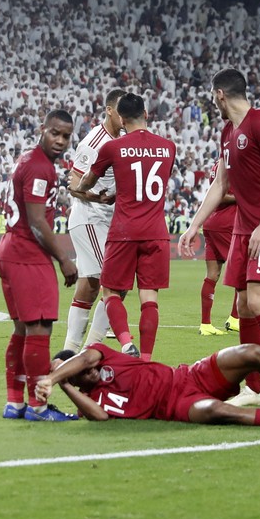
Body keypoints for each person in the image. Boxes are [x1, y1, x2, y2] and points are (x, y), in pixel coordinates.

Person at [178, 69, 260, 409]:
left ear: (218, 94)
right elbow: (220, 184)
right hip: (243, 229)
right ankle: (254, 388)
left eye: (211, 97)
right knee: (245, 306)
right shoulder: (228, 131)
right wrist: (194, 226)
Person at [72, 93, 175, 359]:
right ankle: (146, 360)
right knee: (149, 298)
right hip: (156, 231)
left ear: (121, 117)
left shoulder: (113, 147)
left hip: (124, 230)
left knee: (110, 290)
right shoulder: (168, 147)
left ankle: (126, 342)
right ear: (147, 114)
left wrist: (84, 189)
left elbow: (86, 182)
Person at [39, 344, 260, 428]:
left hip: (189, 376)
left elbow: (85, 357)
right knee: (218, 410)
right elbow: (101, 417)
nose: (85, 371)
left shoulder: (98, 352)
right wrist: (66, 386)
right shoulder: (91, 401)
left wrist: (53, 378)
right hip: (176, 408)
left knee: (253, 353)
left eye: (75, 367)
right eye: (74, 377)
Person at [0, 109, 79, 421]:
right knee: (40, 328)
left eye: (66, 136)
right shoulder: (40, 167)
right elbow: (36, 222)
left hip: (10, 251)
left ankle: (15, 402)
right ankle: (39, 407)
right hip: (26, 253)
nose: (60, 140)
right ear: (43, 129)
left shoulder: (30, 160)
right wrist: (64, 259)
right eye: (55, 133)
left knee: (23, 330)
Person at [61, 89, 124, 353]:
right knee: (116, 282)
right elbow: (73, 184)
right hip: (90, 218)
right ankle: (92, 350)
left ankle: (70, 351)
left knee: (89, 286)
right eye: (121, 110)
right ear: (109, 110)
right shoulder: (94, 141)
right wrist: (100, 199)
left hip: (106, 221)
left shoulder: (122, 140)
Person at [197, 158, 242, 336]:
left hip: (212, 221)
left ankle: (205, 324)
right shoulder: (231, 164)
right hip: (227, 223)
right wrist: (243, 196)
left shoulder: (218, 163)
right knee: (243, 272)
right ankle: (235, 318)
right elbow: (221, 194)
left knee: (212, 275)